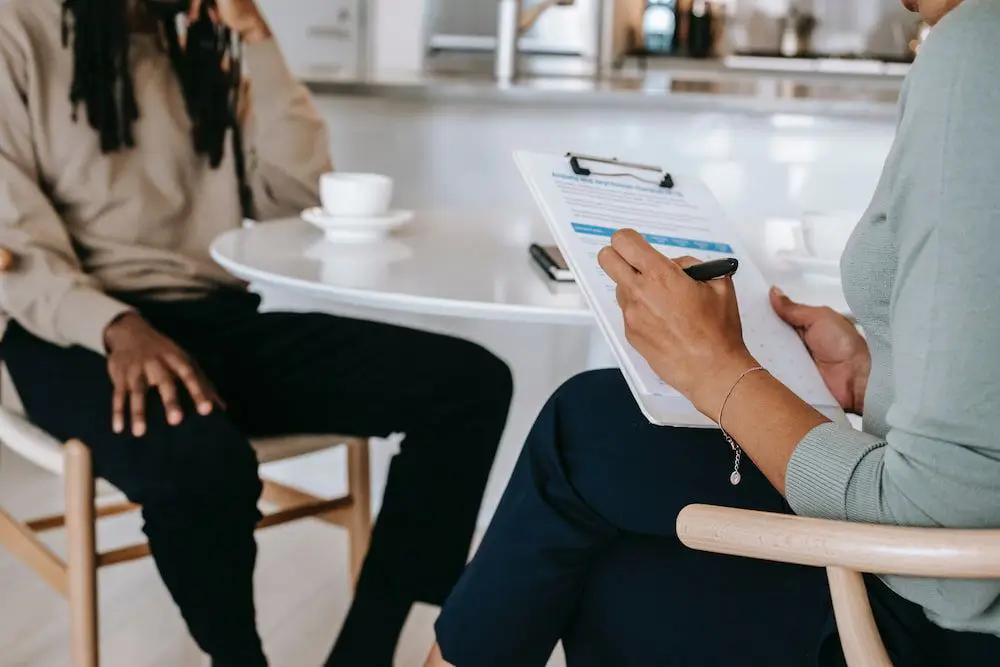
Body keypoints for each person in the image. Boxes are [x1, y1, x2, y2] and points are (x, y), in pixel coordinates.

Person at [425, 0, 1000, 665]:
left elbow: (946, 541)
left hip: (941, 632)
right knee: (606, 483)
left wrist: (716, 370)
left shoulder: (979, 45)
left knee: (588, 433)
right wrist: (873, 376)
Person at [0, 1, 512, 666]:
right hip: (69, 328)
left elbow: (293, 197)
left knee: (467, 383)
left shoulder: (201, 45)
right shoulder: (19, 28)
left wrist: (259, 42)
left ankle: (367, 646)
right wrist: (115, 325)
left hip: (213, 316)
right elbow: (12, 245)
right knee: (204, 466)